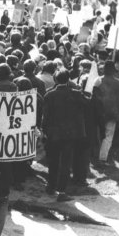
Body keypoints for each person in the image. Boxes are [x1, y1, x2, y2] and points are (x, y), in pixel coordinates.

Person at [42, 69, 86, 201]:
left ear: (55, 79)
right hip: (69, 134)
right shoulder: (75, 94)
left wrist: (44, 131)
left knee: (53, 161)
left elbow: (46, 117)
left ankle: (51, 186)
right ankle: (61, 190)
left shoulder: (49, 95)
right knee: (65, 163)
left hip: (53, 133)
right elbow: (86, 104)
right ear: (68, 80)